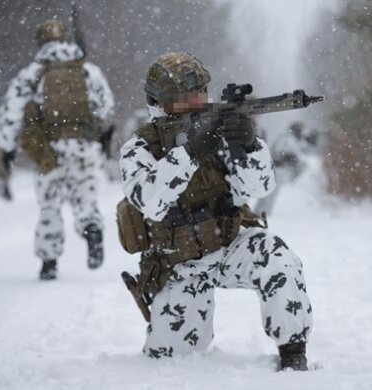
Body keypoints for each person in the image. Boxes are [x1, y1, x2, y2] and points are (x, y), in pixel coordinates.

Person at [118, 52, 313, 371]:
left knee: (277, 256)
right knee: (170, 360)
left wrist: (249, 145)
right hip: (176, 263)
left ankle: (293, 354)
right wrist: (190, 151)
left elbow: (261, 187)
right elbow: (149, 201)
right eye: (187, 98)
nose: (198, 102)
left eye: (201, 94)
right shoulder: (140, 148)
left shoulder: (219, 131)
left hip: (228, 246)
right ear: (162, 102)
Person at [0, 19, 114, 280]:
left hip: (48, 147)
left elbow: (11, 113)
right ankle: (92, 229)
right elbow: (106, 108)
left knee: (50, 204)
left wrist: (6, 148)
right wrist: (101, 138)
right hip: (84, 144)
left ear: (40, 42)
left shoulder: (31, 73)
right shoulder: (87, 69)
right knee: (85, 198)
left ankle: (49, 262)